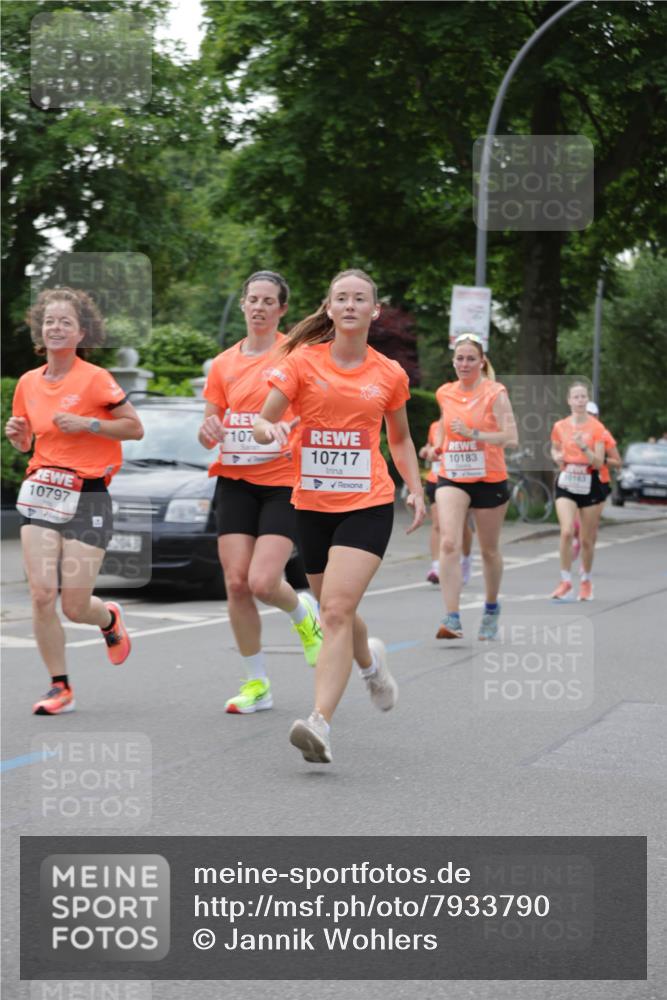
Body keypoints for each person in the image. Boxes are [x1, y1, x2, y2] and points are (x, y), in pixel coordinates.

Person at [253, 269, 425, 764]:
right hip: (312, 504)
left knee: (333, 613)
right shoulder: (302, 362)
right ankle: (371, 668)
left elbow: (399, 439)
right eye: (341, 298)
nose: (350, 304)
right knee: (336, 606)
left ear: (375, 311)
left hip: (367, 504)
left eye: (360, 298)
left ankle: (319, 724)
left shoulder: (388, 374)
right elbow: (268, 417)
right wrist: (268, 432)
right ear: (329, 309)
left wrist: (415, 489)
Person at [5, 287, 143, 714]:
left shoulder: (96, 378)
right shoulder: (28, 382)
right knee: (43, 596)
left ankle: (108, 619)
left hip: (88, 498)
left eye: (65, 321)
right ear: (40, 331)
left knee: (74, 604)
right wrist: (19, 438)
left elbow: (134, 428)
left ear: (81, 331)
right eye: (49, 321)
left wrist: (88, 424)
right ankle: (59, 686)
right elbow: (30, 442)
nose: (56, 327)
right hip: (41, 494)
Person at [198, 271, 323, 714]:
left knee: (263, 581)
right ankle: (257, 684)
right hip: (233, 480)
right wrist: (209, 429)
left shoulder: (298, 355)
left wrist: (293, 427)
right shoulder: (223, 364)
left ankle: (303, 615)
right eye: (252, 299)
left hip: (283, 480)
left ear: (282, 309)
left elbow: (321, 409)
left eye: (268, 301)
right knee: (235, 584)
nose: (258, 307)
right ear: (245, 304)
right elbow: (208, 428)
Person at [433, 334, 518, 641]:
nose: (464, 364)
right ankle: (452, 617)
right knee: (448, 543)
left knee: (489, 550)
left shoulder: (495, 393)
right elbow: (444, 423)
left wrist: (473, 433)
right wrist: (437, 446)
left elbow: (511, 437)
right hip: (453, 474)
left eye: (471, 359)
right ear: (453, 361)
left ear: (482, 362)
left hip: (488, 477)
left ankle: (492, 607)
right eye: (459, 358)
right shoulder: (445, 392)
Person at [550, 383, 606, 601]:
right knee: (566, 532)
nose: (580, 400)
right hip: (566, 480)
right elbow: (554, 448)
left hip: (589, 481)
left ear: (587, 400)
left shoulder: (597, 428)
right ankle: (565, 581)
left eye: (584, 397)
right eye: (576, 397)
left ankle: (586, 580)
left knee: (587, 539)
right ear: (569, 400)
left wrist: (584, 448)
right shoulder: (560, 426)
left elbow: (600, 462)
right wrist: (556, 456)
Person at [419, 419, 474, 585]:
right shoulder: (435, 426)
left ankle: (465, 559)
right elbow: (429, 446)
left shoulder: (468, 424)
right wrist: (426, 451)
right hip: (436, 479)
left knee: (462, 525)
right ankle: (436, 567)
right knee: (437, 524)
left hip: (458, 480)